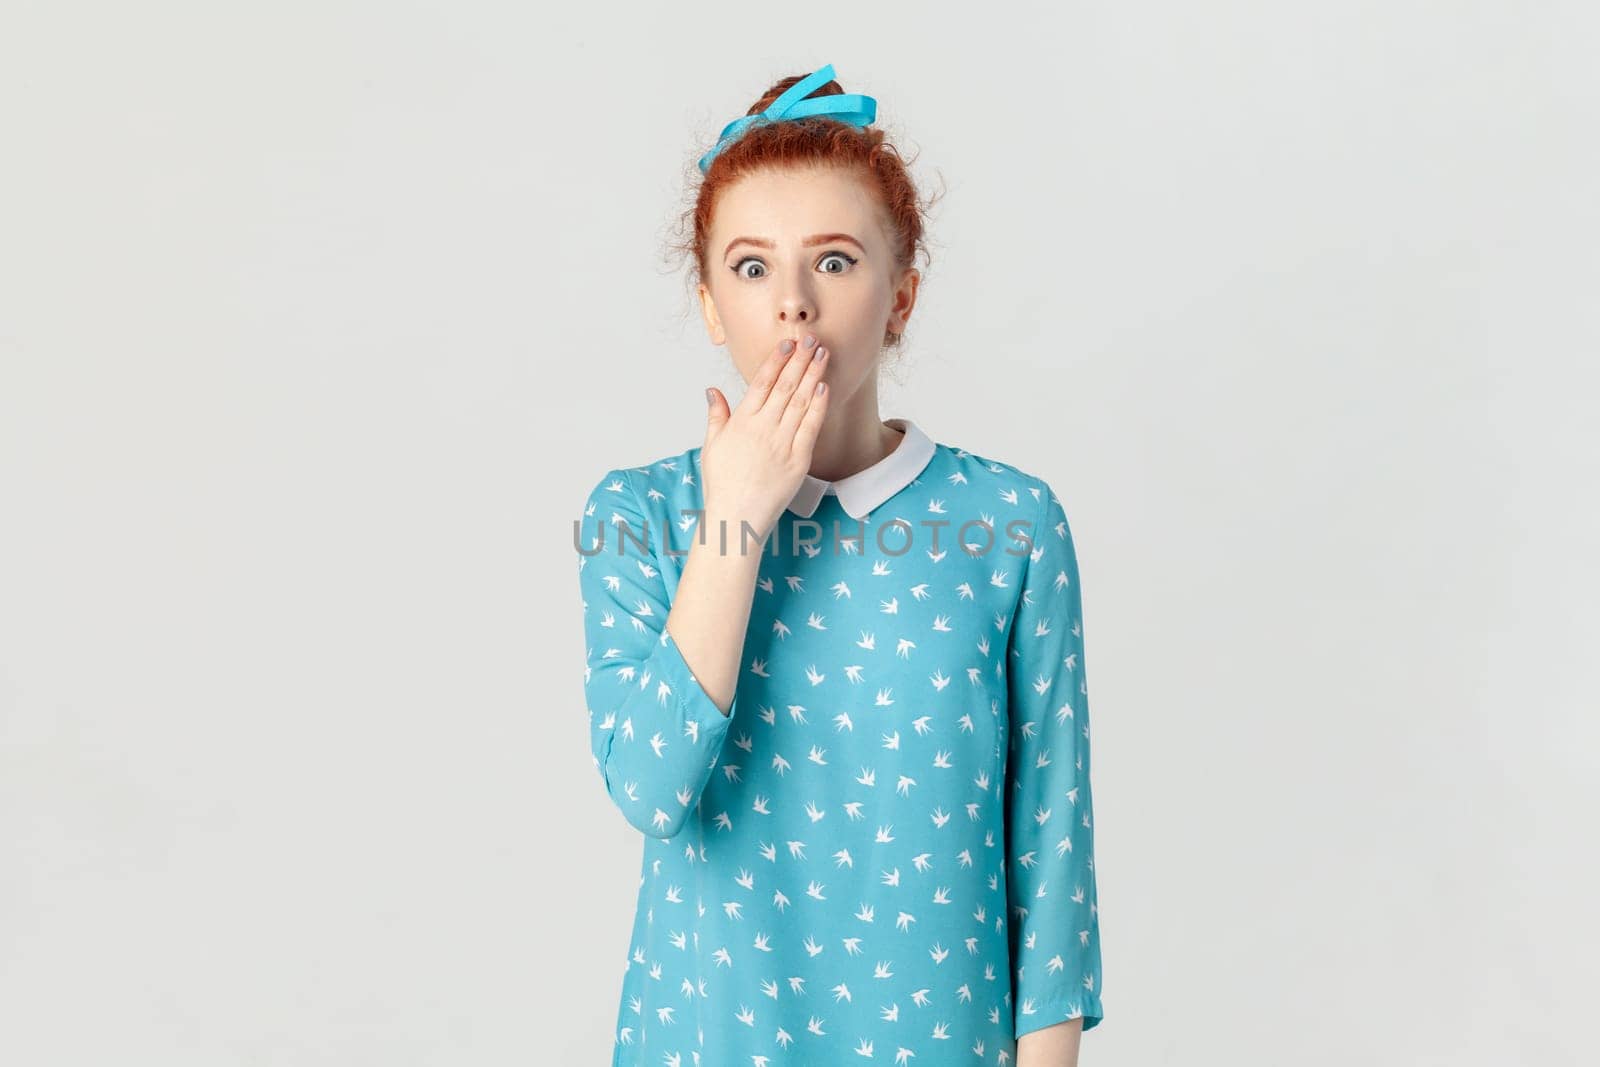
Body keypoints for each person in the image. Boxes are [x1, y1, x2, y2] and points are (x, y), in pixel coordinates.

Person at [574, 63, 1104, 1067]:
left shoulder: (1009, 523)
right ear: (707, 304)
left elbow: (1051, 852)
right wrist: (735, 515)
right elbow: (649, 784)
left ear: (900, 297)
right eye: (750, 266)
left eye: (833, 261)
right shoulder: (640, 514)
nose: (791, 306)